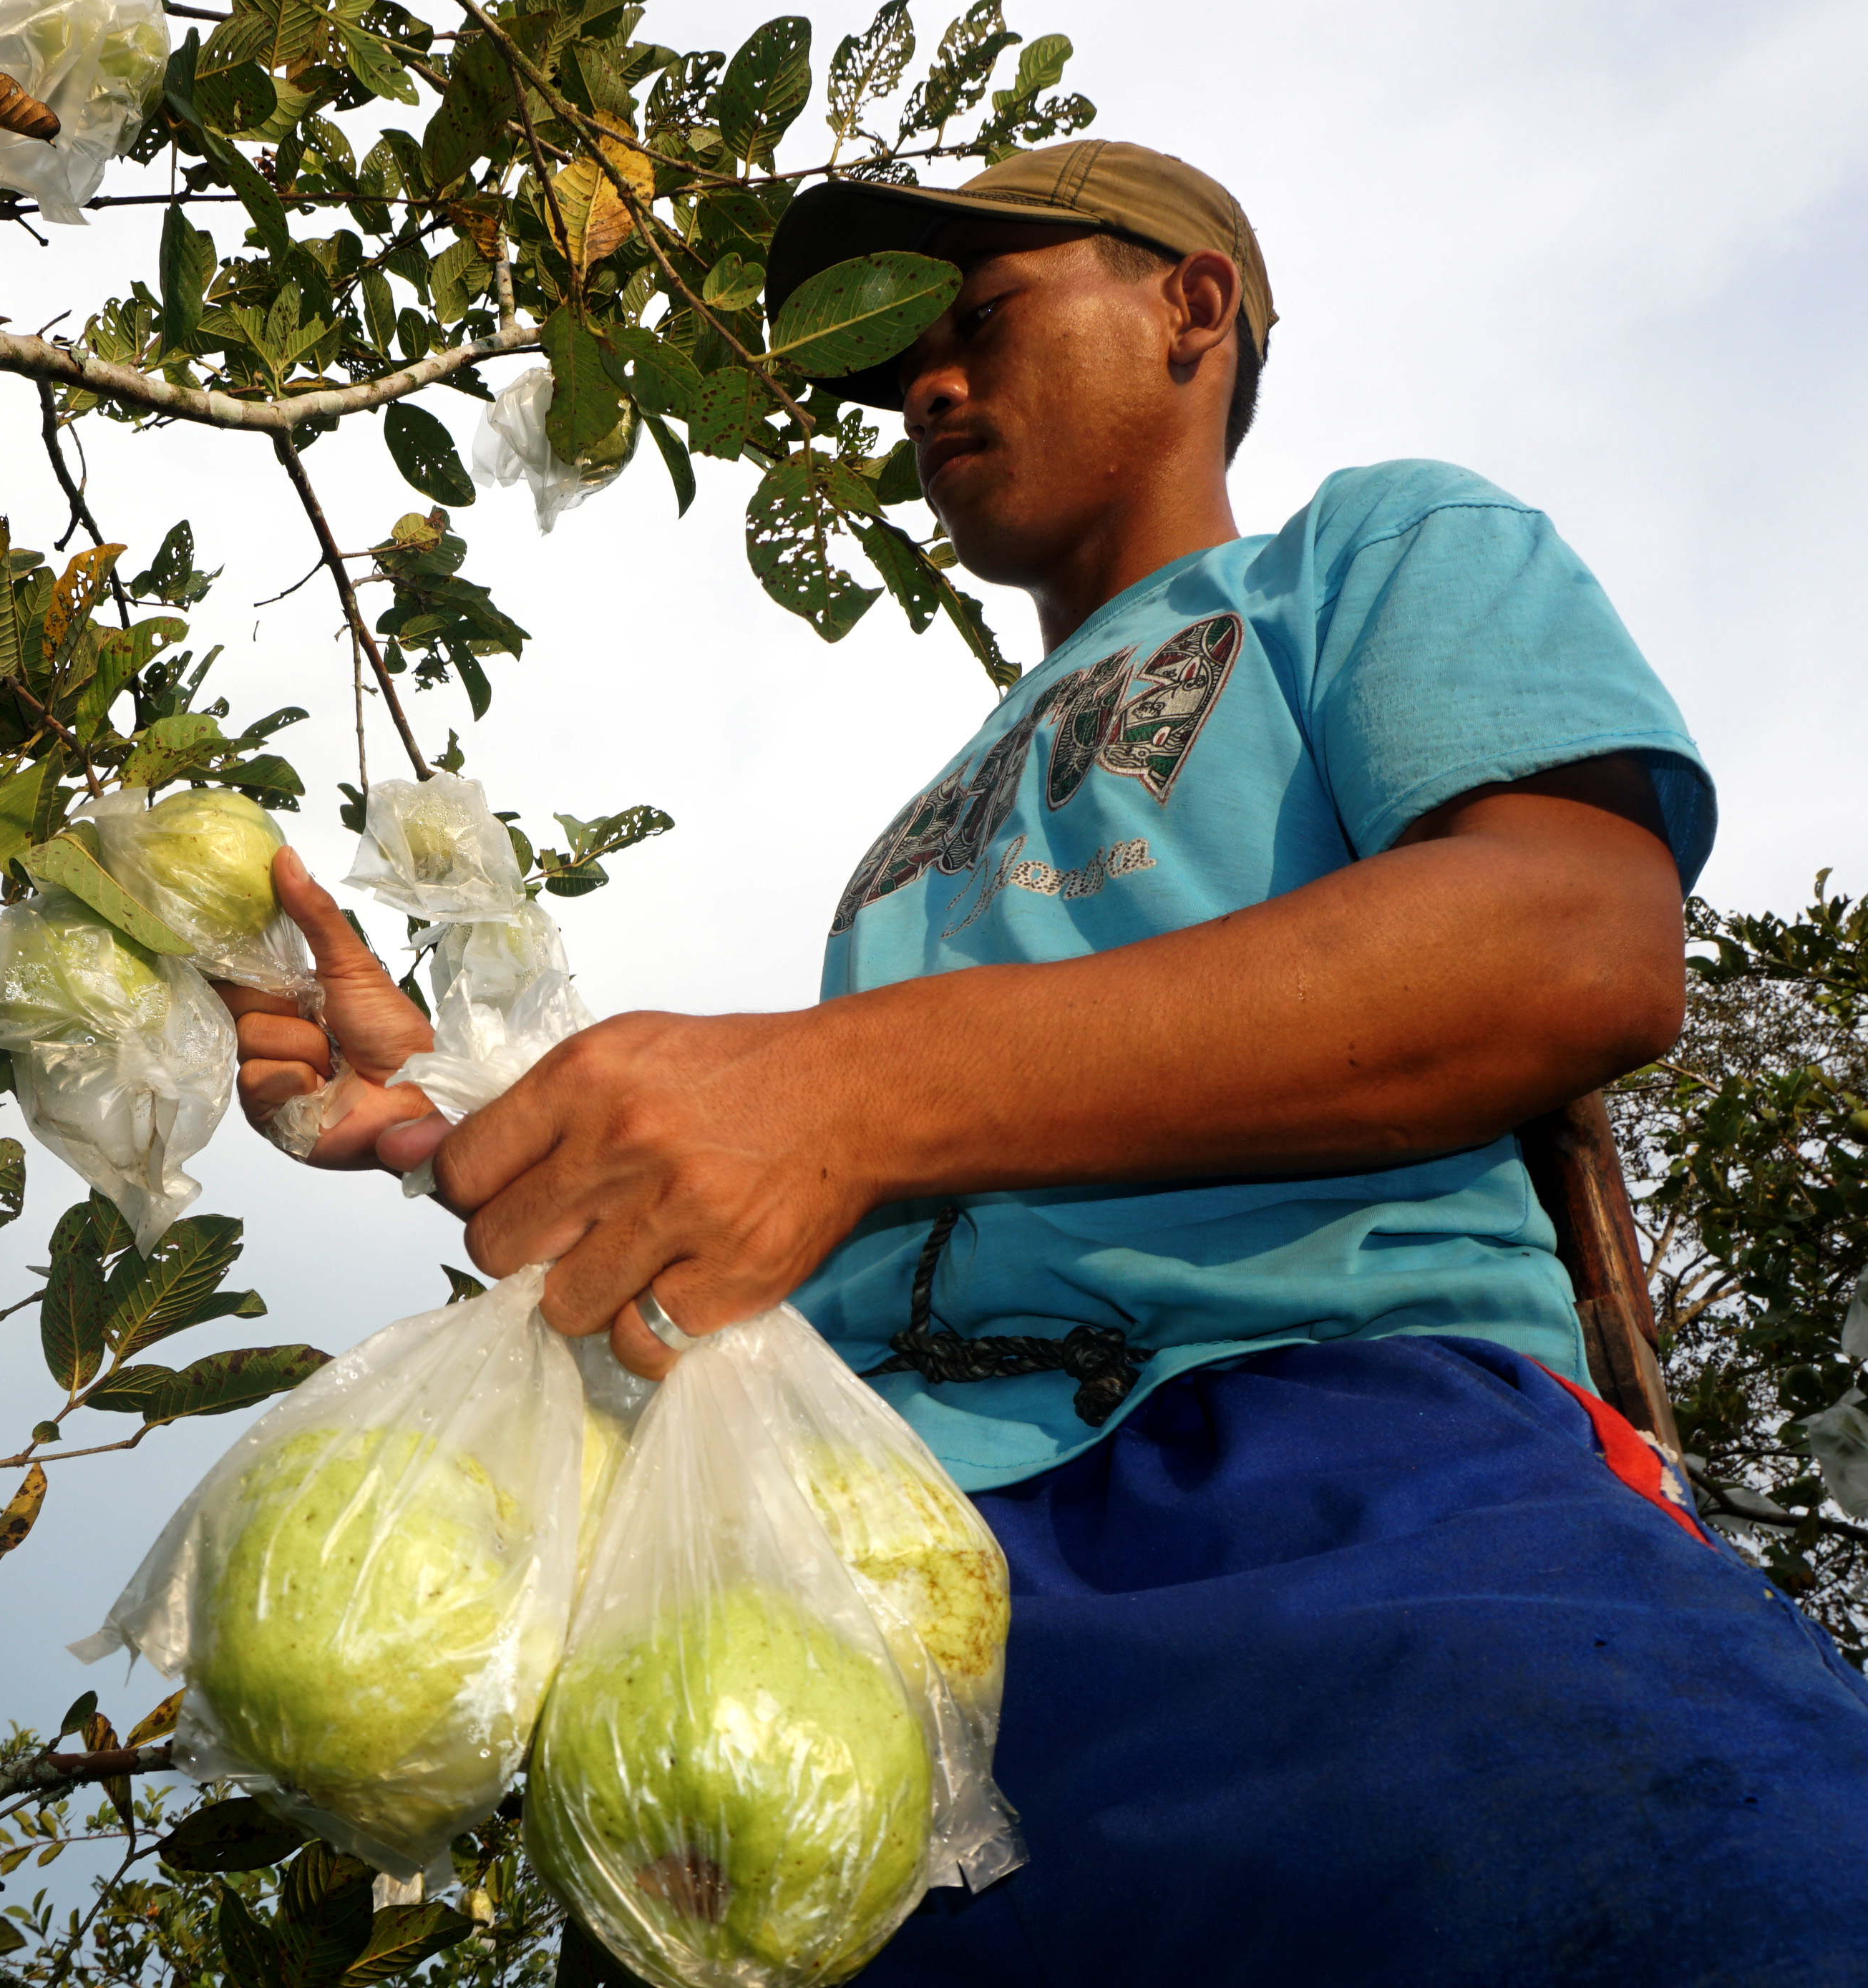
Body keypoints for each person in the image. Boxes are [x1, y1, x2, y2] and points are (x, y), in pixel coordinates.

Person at [216, 140, 1868, 1987]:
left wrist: (841, 1092)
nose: (923, 384)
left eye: (978, 319)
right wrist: (463, 1097)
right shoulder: (902, 851)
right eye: (902, 353)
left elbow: (1570, 941)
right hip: (864, 1622)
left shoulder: (1364, 558)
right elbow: (796, 1219)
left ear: (1193, 309)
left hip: (1355, 1486)